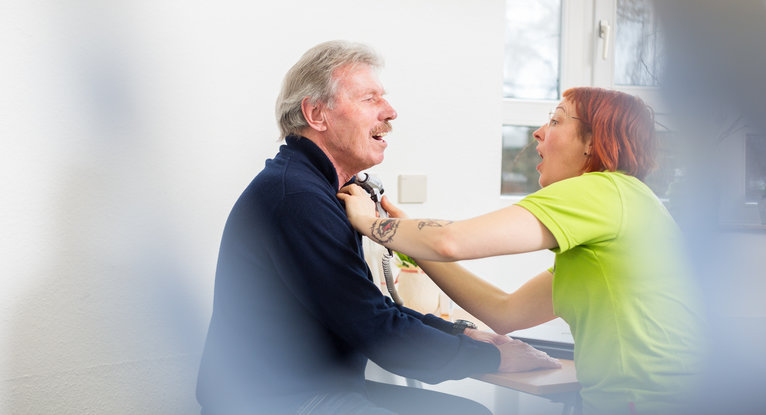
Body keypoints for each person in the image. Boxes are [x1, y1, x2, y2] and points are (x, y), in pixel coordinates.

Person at [196, 40, 560, 415]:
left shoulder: (316, 189)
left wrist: (462, 333)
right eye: (370, 99)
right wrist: (491, 357)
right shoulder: (297, 198)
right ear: (316, 113)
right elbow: (377, 332)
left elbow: (365, 306)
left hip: (308, 391)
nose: (391, 112)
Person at [340, 87, 707, 415]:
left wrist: (370, 223)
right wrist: (409, 243)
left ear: (593, 142)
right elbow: (504, 312)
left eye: (556, 120)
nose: (538, 132)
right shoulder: (622, 209)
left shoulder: (602, 189)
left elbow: (451, 241)